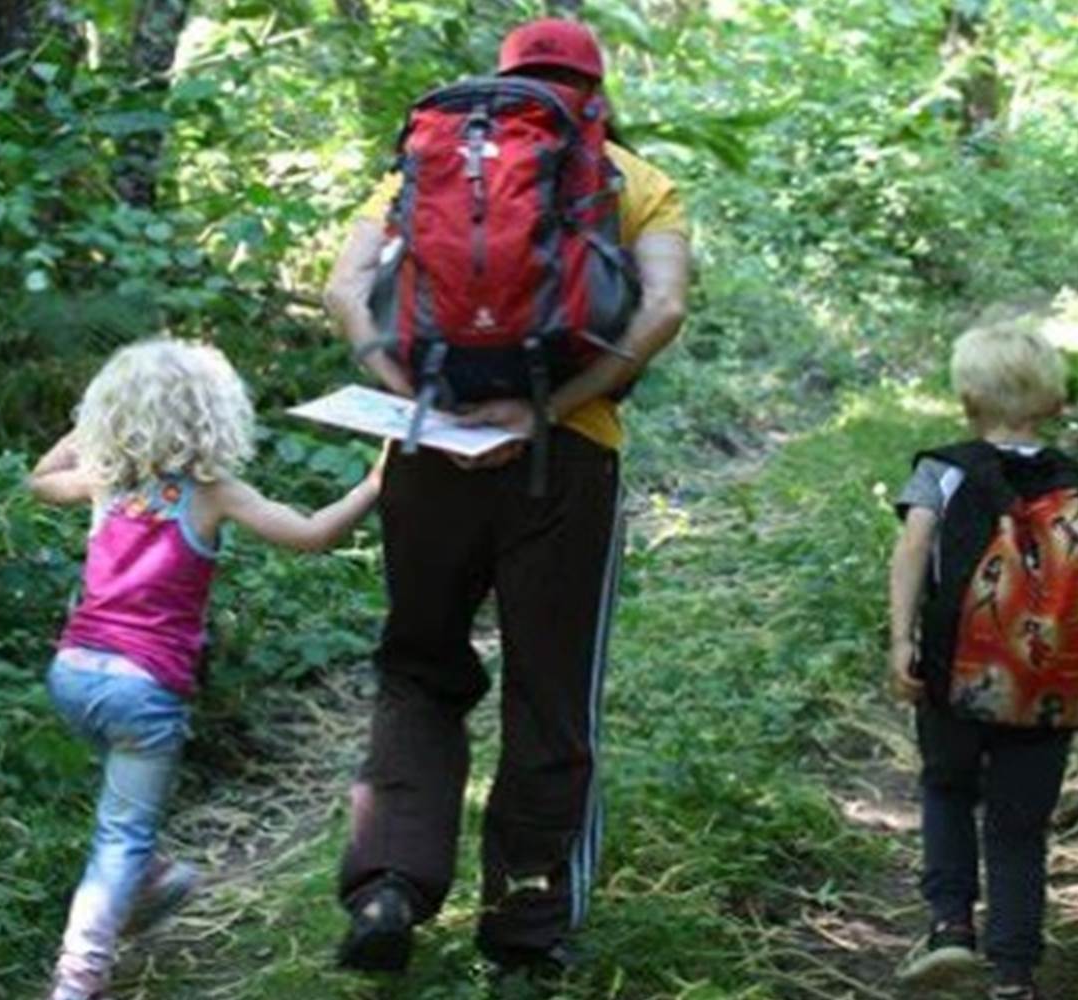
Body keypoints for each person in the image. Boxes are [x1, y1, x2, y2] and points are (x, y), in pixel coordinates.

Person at [323, 18, 691, 976]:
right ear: (596, 88)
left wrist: (412, 400)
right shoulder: (630, 178)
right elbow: (665, 309)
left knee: (418, 664)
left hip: (429, 456)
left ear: (504, 81)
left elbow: (344, 290)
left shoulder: (429, 158)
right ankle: (526, 928)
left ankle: (389, 885)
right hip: (564, 460)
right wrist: (551, 407)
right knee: (552, 689)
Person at [28, 338, 384, 1000]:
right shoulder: (213, 493)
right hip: (142, 687)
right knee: (121, 836)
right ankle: (77, 981)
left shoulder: (104, 479)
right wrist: (372, 485)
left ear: (116, 413)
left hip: (73, 675)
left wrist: (98, 430)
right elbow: (312, 535)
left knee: (124, 823)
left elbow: (38, 477)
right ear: (215, 416)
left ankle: (142, 880)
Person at [888, 322, 1078, 1000]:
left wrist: (901, 641)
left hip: (957, 675)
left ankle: (949, 929)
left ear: (967, 400)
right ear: (1054, 403)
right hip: (1052, 683)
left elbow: (912, 552)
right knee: (1019, 825)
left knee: (946, 787)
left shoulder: (942, 471)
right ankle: (1013, 972)